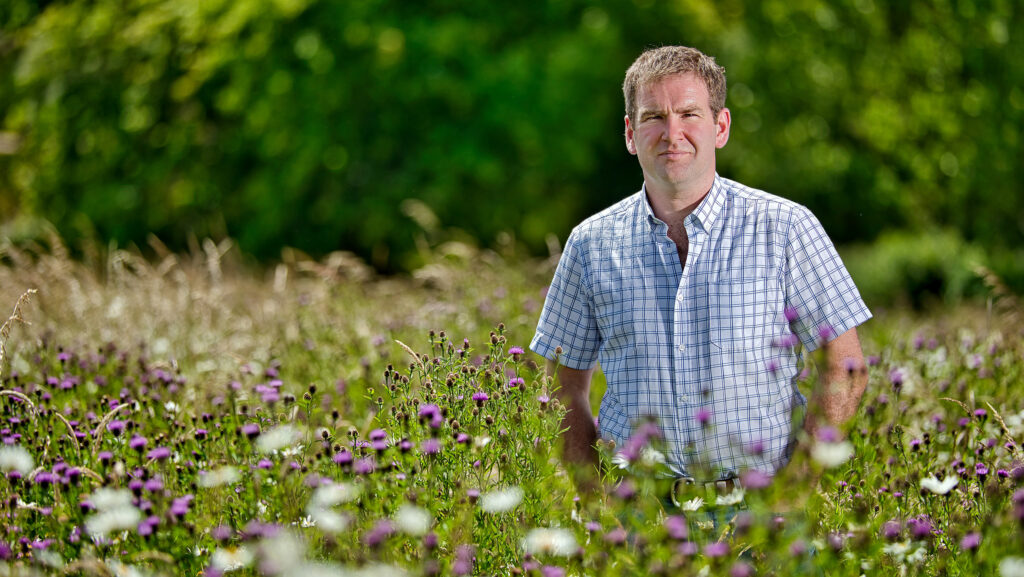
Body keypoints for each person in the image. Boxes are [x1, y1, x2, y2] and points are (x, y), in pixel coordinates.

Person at [529, 46, 871, 491]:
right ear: (631, 134)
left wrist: (797, 494)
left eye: (689, 113)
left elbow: (845, 368)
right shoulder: (591, 245)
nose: (673, 133)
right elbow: (561, 387)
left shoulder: (785, 228)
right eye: (654, 117)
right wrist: (596, 502)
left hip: (764, 515)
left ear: (721, 126)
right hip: (640, 524)